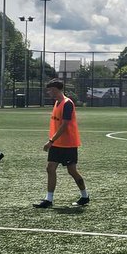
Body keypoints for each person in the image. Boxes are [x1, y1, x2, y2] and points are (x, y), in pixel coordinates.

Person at [35, 79, 89, 208]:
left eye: (50, 90)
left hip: (68, 144)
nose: (49, 92)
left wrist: (50, 141)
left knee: (72, 171)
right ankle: (48, 199)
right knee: (50, 168)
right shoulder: (57, 103)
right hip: (57, 144)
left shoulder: (67, 103)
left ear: (56, 89)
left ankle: (85, 196)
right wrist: (53, 141)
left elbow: (65, 125)